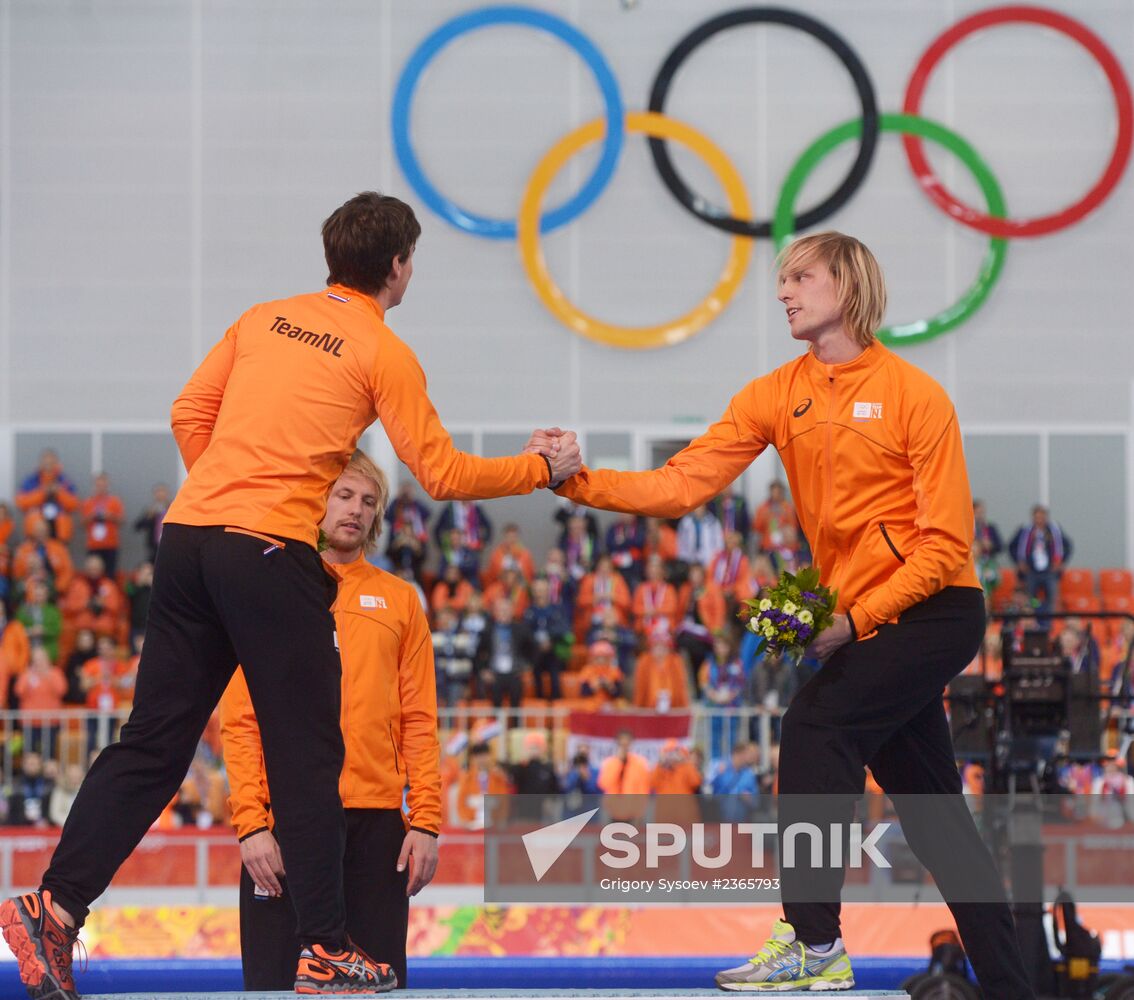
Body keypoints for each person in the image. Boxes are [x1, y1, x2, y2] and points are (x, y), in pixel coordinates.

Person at [0, 191, 582, 1000]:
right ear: (400, 265)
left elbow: (188, 410)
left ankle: (53, 907)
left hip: (190, 537)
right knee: (310, 758)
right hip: (270, 555)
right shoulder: (382, 348)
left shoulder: (263, 318)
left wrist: (226, 496)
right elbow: (442, 473)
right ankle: (323, 948)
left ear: (331, 255)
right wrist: (539, 472)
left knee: (152, 745)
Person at [537, 231, 1033, 997]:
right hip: (861, 622)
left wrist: (855, 621)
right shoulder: (775, 393)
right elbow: (679, 485)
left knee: (815, 723)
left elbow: (944, 547)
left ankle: (814, 941)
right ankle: (1015, 985)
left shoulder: (915, 395)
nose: (783, 293)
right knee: (937, 817)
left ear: (848, 283)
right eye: (783, 280)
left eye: (800, 277)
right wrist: (578, 482)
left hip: (936, 610)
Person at [220, 451, 437, 991]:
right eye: (343, 495)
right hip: (284, 828)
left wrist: (427, 820)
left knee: (379, 986)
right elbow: (241, 721)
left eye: (368, 501)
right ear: (316, 502)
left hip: (377, 829)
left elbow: (420, 718)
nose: (356, 510)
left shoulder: (400, 601)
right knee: (275, 986)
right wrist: (251, 824)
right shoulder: (269, 593)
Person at [1009, 504, 1072, 622]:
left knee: (1051, 599)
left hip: (1049, 571)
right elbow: (1012, 546)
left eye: (1042, 517)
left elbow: (1067, 546)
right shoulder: (1025, 531)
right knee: (1032, 600)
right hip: (1031, 571)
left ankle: (1048, 622)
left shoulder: (1054, 531)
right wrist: (1019, 562)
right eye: (1037, 517)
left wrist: (1061, 562)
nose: (1039, 520)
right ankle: (1032, 621)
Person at [80, 474, 125, 578]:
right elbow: (82, 523)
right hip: (93, 545)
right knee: (92, 574)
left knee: (110, 574)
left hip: (110, 545)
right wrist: (91, 517)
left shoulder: (115, 502)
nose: (101, 488)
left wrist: (110, 516)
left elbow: (121, 520)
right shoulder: (88, 502)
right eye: (98, 485)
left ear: (107, 485)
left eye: (103, 485)